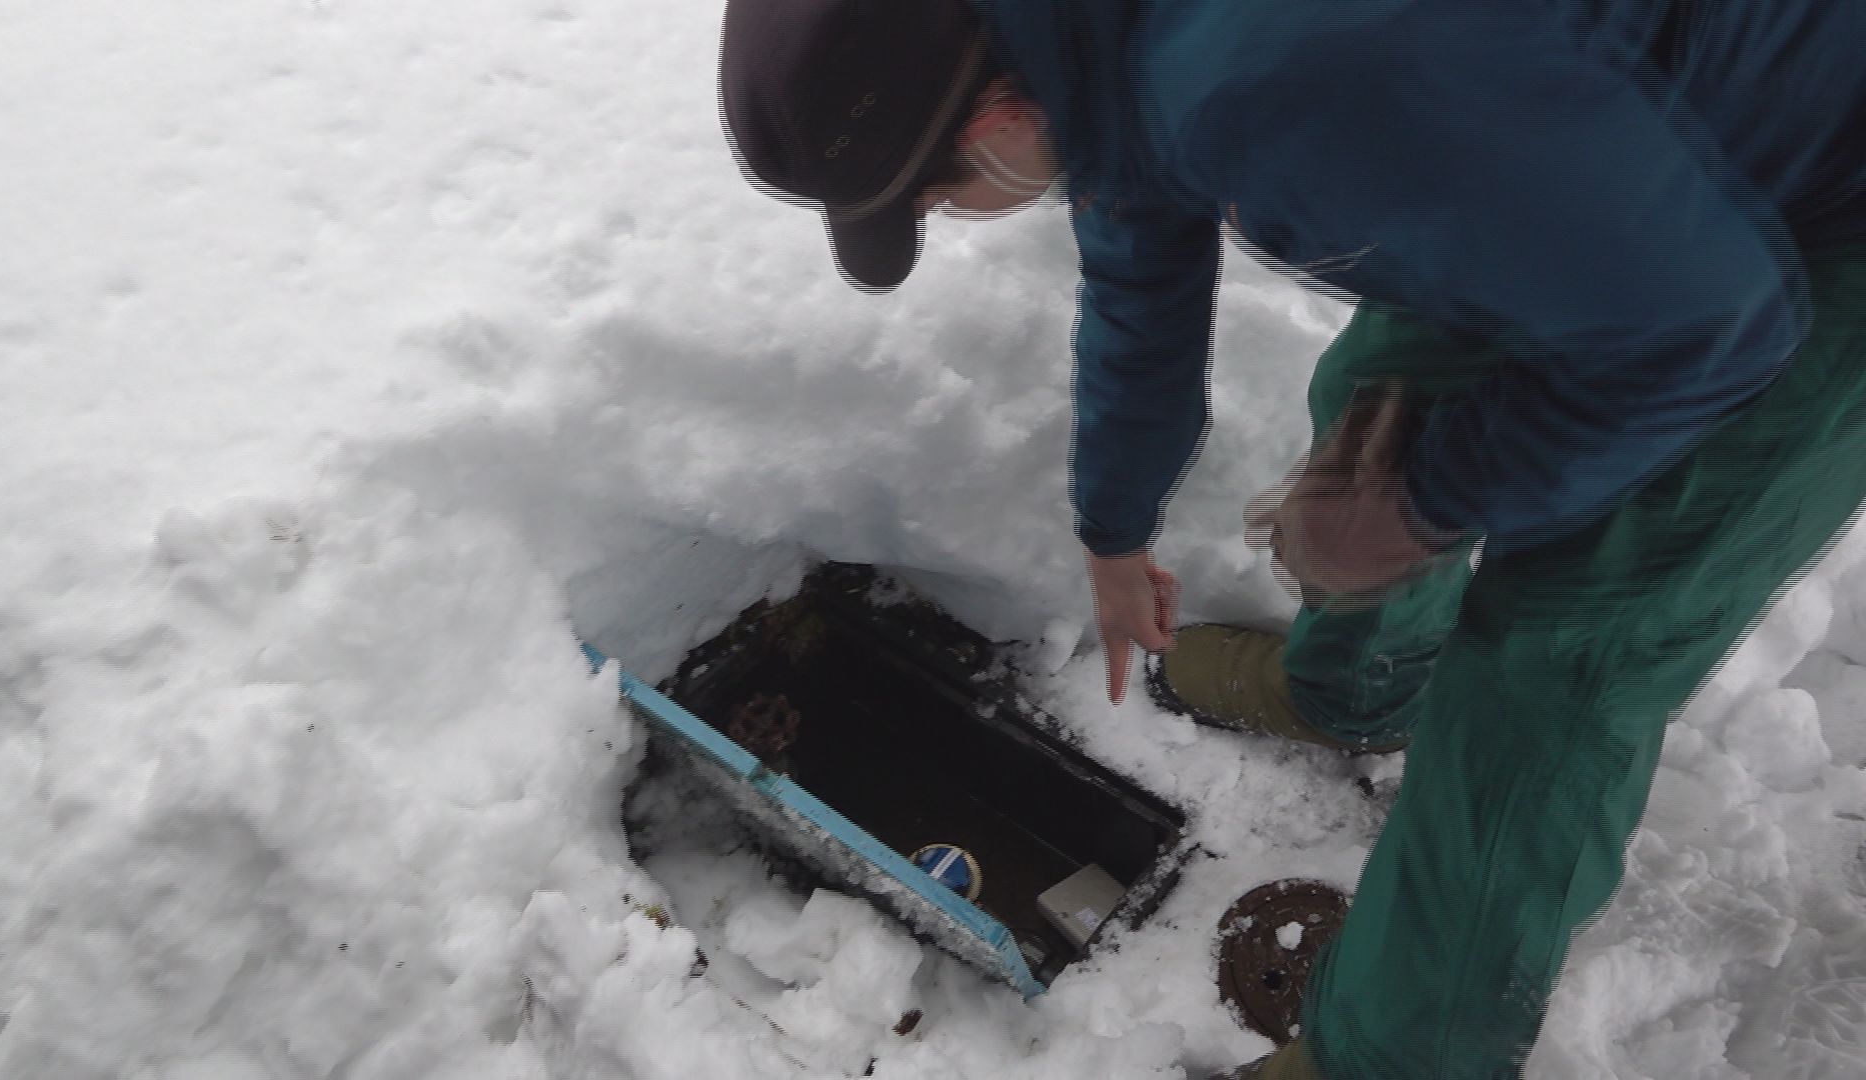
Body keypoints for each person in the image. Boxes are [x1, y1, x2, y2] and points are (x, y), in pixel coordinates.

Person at [717, 0, 1866, 1076]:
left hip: (1823, 218)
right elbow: (1138, 268)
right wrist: (1115, 534)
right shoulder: (1088, 44)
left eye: (926, 199)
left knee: (1562, 652)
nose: (936, 218)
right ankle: (1358, 688)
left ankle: (1397, 1055)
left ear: (994, 118)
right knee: (1380, 389)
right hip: (1601, 139)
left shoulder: (1276, 80)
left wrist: (1424, 503)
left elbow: (1711, 329)